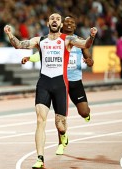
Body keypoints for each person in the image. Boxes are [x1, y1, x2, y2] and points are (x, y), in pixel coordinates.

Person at [4, 13, 97, 169]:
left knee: (60, 125)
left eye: (58, 19)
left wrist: (92, 36)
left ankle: (63, 134)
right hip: (44, 84)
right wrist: (9, 34)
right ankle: (40, 158)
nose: (55, 20)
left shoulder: (68, 40)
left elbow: (86, 45)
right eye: (52, 18)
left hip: (61, 85)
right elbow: (19, 45)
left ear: (60, 25)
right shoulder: (40, 40)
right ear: (48, 23)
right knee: (40, 121)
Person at [21, 15, 94, 156]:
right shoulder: (55, 40)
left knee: (84, 112)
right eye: (66, 22)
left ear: (75, 26)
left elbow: (88, 56)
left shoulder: (77, 41)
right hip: (60, 81)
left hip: (75, 81)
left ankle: (85, 114)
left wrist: (89, 61)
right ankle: (61, 142)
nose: (69, 24)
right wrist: (30, 58)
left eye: (72, 22)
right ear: (62, 25)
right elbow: (42, 55)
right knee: (59, 118)